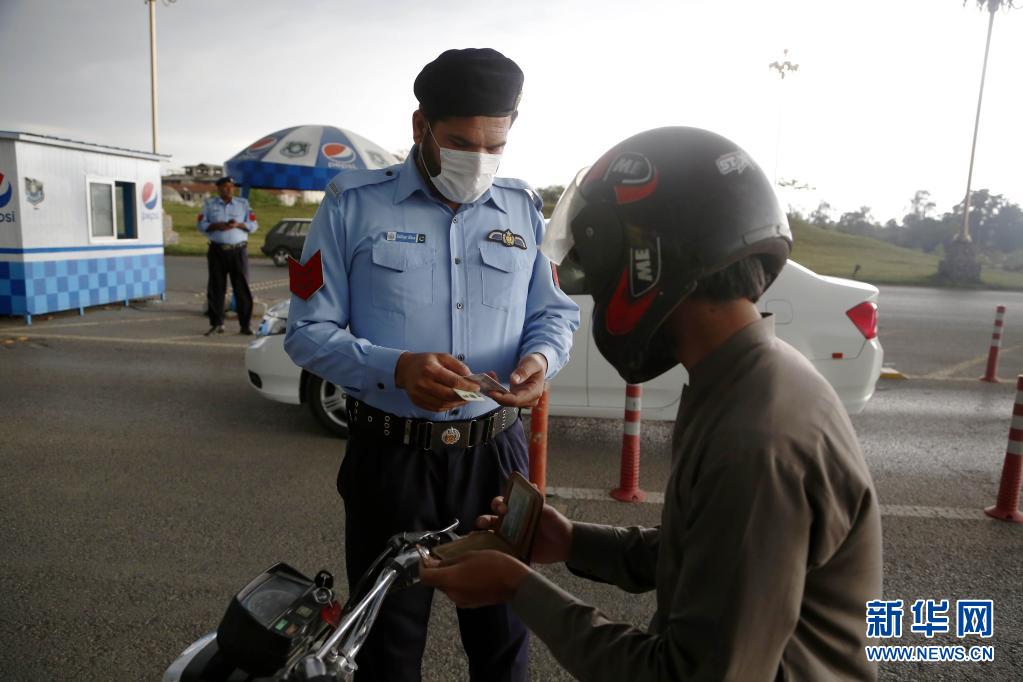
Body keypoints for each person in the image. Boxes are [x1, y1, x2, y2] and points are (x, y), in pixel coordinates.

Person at [421, 127, 884, 681]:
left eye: (602, 259)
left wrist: (518, 587)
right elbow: (703, 552)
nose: (593, 282)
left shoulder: (754, 440)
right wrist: (573, 541)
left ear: (647, 260)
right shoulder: (747, 377)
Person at [283, 48, 580, 682]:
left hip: (495, 459)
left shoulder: (521, 208)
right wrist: (396, 368)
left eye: (493, 143)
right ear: (420, 127)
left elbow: (555, 315)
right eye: (459, 140)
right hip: (391, 460)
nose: (478, 158)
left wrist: (539, 360)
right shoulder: (352, 204)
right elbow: (306, 333)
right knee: (386, 649)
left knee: (503, 643)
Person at [197, 176, 257, 335]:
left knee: (242, 289)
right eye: (225, 186)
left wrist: (238, 225)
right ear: (219, 188)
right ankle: (217, 323)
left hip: (238, 251)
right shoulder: (209, 204)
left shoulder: (243, 204)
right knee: (216, 288)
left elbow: (253, 225)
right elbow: (201, 225)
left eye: (231, 186)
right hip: (217, 251)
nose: (228, 189)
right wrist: (215, 226)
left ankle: (245, 325)